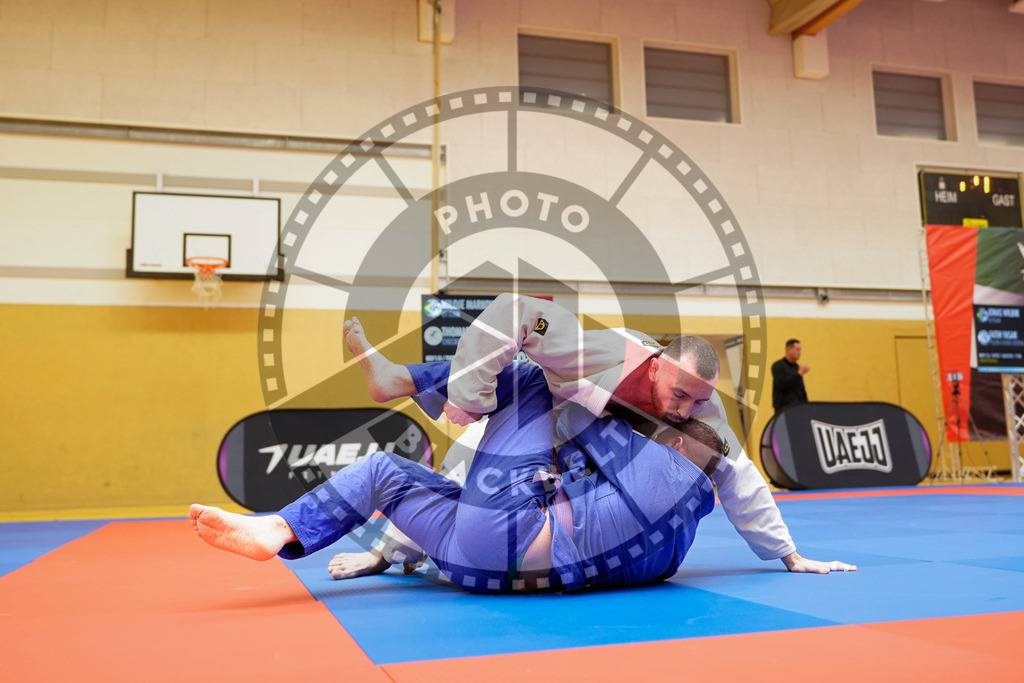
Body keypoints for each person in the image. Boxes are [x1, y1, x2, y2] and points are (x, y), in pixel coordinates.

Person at [332, 300, 853, 577]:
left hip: (599, 468)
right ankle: (386, 546)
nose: (684, 410)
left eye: (697, 401)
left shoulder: (701, 407)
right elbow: (518, 318)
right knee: (473, 460)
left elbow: (739, 477)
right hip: (551, 425)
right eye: (679, 394)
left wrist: (788, 554)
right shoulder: (601, 352)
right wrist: (471, 396)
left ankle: (402, 384)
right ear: (658, 365)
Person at [190, 359, 730, 593]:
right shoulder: (674, 547)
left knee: (535, 379)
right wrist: (387, 553)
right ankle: (279, 529)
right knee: (386, 472)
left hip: (505, 535)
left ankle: (406, 380)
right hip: (478, 570)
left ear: (675, 447)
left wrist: (602, 379)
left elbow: (580, 405)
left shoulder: (671, 474)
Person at [771, 339, 810, 412]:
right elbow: (781, 383)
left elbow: (801, 389)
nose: (800, 352)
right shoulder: (778, 366)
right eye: (797, 349)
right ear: (789, 349)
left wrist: (807, 406)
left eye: (800, 350)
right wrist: (799, 374)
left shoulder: (797, 367)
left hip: (798, 407)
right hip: (784, 409)